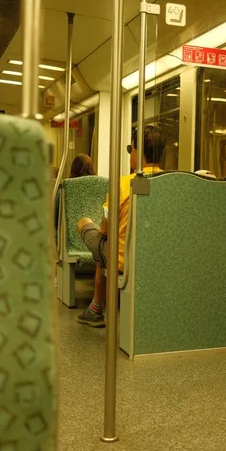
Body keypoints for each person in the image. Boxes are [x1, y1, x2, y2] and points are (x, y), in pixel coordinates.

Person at [76, 125, 166, 327]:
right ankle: (95, 308)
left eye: (130, 149)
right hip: (157, 257)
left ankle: (96, 309)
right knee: (106, 249)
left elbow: (105, 230)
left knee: (86, 225)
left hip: (124, 259)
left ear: (138, 151)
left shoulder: (123, 184)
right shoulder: (170, 184)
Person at [54, 154, 96, 240]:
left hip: (68, 239)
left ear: (73, 169)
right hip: (94, 235)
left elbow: (56, 217)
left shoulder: (64, 188)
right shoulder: (103, 187)